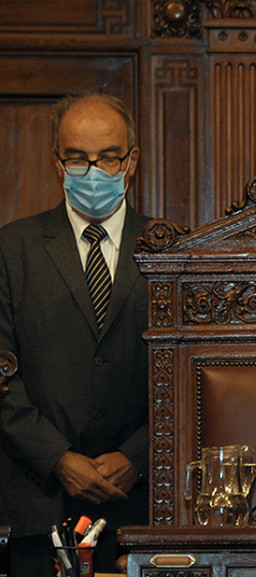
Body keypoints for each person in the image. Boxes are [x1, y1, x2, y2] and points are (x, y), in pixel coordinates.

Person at [0, 93, 151, 575]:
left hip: (145, 508)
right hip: (38, 506)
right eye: (77, 157)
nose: (93, 170)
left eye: (108, 155)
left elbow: (195, 376)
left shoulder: (172, 250)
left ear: (132, 160)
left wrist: (138, 455)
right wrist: (59, 458)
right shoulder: (11, 249)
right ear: (56, 161)